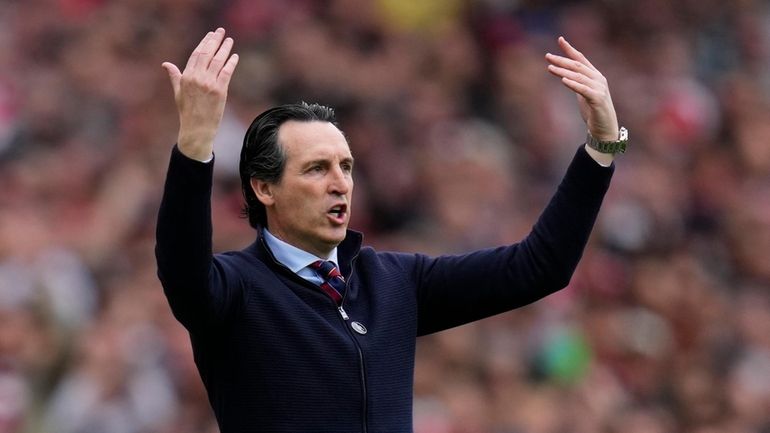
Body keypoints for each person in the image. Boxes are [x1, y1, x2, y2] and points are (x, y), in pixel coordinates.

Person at [155, 28, 625, 433]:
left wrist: (600, 149)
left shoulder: (395, 281)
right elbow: (182, 271)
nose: (340, 183)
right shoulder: (234, 289)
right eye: (317, 169)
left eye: (346, 166)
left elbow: (539, 267)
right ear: (264, 188)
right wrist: (195, 143)